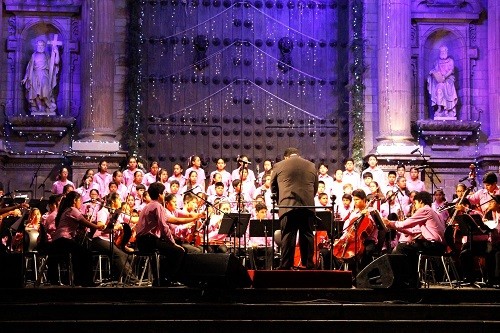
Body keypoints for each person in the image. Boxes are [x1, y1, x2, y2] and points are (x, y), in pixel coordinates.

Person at [383, 191, 446, 288]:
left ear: (420, 202)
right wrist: (393, 226)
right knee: (409, 249)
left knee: (401, 248)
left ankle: (404, 280)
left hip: (434, 245)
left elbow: (406, 223)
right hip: (437, 245)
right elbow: (413, 230)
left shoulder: (425, 210)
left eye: (415, 203)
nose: (415, 206)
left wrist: (390, 223)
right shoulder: (430, 211)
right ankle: (413, 281)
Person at [271, 147, 318, 270]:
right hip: (307, 205)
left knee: (287, 234)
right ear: (298, 155)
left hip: (287, 205)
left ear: (286, 157)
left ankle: (286, 265)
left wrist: (280, 202)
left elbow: (273, 187)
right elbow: (315, 187)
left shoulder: (278, 165)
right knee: (307, 234)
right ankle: (309, 264)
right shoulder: (311, 165)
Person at [135, 183, 186, 286]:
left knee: (167, 251)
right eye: (164, 193)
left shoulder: (147, 205)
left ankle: (161, 278)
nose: (164, 195)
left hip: (141, 241)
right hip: (148, 240)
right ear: (159, 195)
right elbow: (164, 226)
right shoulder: (157, 206)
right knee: (179, 251)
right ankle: (168, 279)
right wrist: (172, 243)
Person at [51, 191, 105, 286]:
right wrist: (98, 227)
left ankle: (79, 280)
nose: (81, 203)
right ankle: (87, 281)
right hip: (64, 239)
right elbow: (85, 222)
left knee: (78, 254)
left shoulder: (66, 210)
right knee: (86, 253)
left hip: (58, 240)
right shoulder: (72, 210)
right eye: (80, 200)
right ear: (75, 201)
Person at [21, 39, 60, 114]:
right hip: (34, 75)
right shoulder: (34, 55)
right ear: (36, 46)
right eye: (38, 45)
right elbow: (29, 68)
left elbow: (56, 62)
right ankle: (39, 108)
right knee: (35, 92)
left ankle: (48, 105)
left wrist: (57, 52)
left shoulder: (47, 55)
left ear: (44, 46)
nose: (40, 47)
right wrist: (25, 78)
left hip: (44, 74)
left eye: (41, 45)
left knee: (45, 88)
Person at [427, 45, 458, 118]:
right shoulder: (437, 62)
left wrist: (445, 76)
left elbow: (451, 70)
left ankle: (447, 109)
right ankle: (439, 108)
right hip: (440, 81)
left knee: (447, 91)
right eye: (441, 51)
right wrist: (432, 73)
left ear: (446, 51)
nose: (442, 52)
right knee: (439, 90)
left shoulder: (450, 61)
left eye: (444, 51)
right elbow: (436, 70)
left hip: (449, 80)